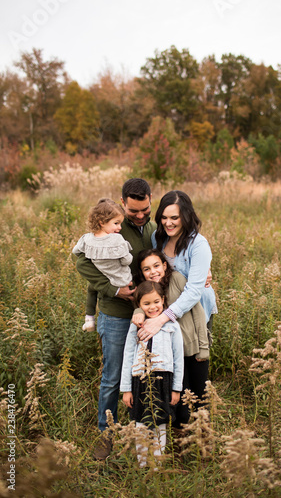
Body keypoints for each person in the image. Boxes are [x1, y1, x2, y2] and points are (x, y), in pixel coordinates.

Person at [73, 178, 156, 460]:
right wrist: (114, 289)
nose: (141, 215)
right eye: (135, 211)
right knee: (112, 378)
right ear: (123, 203)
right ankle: (106, 435)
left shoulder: (153, 229)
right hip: (115, 316)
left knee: (141, 375)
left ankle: (138, 433)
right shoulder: (108, 229)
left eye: (145, 209)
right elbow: (81, 262)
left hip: (148, 315)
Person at [137, 191, 217, 422]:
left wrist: (163, 318)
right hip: (169, 311)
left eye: (175, 217)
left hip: (196, 312)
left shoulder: (198, 244)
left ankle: (202, 425)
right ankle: (181, 421)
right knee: (176, 366)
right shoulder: (158, 239)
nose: (168, 223)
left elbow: (194, 290)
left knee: (196, 367)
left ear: (186, 215)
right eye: (164, 217)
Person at [133, 249, 210, 427]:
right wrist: (137, 311)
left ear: (165, 265)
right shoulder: (146, 289)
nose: (153, 272)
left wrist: (203, 346)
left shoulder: (176, 279)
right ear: (142, 273)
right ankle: (180, 434)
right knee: (180, 398)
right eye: (147, 269)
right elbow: (140, 307)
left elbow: (197, 311)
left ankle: (203, 435)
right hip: (171, 355)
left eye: (156, 266)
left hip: (192, 348)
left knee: (200, 395)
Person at [120, 281, 184, 467]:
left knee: (160, 422)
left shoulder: (172, 325)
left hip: (163, 380)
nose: (152, 307)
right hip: (139, 380)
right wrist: (126, 389)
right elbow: (128, 356)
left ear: (163, 300)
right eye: (146, 304)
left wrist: (176, 388)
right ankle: (142, 463)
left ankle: (157, 463)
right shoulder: (136, 326)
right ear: (139, 306)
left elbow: (178, 359)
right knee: (140, 422)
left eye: (156, 302)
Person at [72, 198, 132, 332]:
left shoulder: (87, 238)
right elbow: (126, 260)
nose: (120, 227)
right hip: (122, 279)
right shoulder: (117, 239)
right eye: (116, 223)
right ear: (102, 222)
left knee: (92, 288)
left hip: (105, 279)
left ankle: (89, 319)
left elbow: (76, 251)